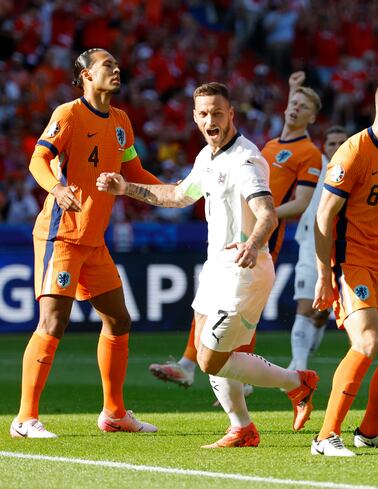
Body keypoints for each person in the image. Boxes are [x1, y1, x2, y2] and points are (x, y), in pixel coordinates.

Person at [96, 82, 318, 447]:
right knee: (211, 351)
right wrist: (127, 189)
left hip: (244, 271)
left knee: (210, 360)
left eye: (217, 112)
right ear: (195, 117)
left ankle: (297, 383)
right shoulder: (208, 156)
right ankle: (242, 428)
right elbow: (179, 195)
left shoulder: (245, 161)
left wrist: (253, 241)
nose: (210, 119)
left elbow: (267, 214)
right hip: (217, 268)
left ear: (231, 114)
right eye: (203, 113)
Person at [10, 48, 162, 439]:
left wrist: (181, 193)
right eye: (107, 65)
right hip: (61, 234)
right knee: (53, 322)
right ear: (86, 76)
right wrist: (58, 188)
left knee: (118, 319)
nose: (116, 68)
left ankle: (114, 413)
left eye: (116, 63)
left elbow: (134, 171)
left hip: (94, 240)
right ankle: (25, 419)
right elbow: (38, 160)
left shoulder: (121, 122)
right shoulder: (68, 114)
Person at [148, 71, 323, 391]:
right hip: (231, 244)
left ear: (313, 117)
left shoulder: (306, 153)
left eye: (303, 106)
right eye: (292, 103)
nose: (295, 108)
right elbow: (178, 195)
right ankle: (209, 380)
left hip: (261, 235)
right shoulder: (268, 145)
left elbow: (298, 204)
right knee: (208, 311)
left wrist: (259, 218)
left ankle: (258, 378)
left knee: (234, 314)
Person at [310, 76, 378, 456]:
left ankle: (370, 431)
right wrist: (325, 274)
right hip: (348, 262)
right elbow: (324, 217)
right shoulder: (352, 153)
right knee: (368, 341)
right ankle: (325, 437)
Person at [288, 125, 349, 371]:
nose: (336, 147)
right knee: (305, 305)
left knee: (323, 312)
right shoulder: (315, 165)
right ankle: (300, 366)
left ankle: (299, 360)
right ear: (324, 146)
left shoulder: (357, 165)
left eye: (340, 142)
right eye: (331, 143)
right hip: (311, 245)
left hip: (343, 249)